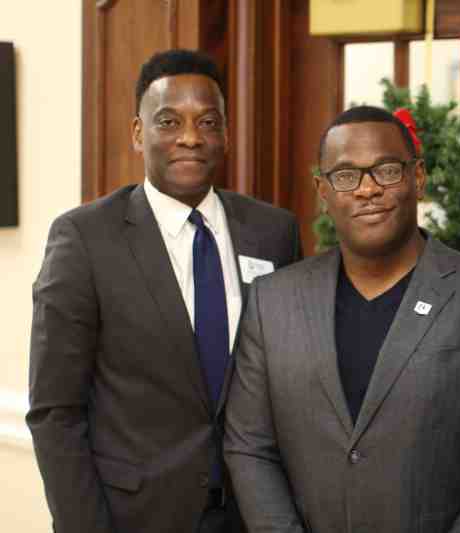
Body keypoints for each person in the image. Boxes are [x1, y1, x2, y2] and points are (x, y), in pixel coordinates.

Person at [27, 49, 302, 533]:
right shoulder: (85, 238)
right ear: (138, 132)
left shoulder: (273, 232)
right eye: (169, 121)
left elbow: (295, 380)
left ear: (226, 133)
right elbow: (56, 411)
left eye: (208, 122)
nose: (191, 138)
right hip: (135, 516)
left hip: (254, 513)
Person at [224, 105, 460, 533]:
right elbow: (249, 447)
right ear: (323, 192)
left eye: (386, 170)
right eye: (346, 176)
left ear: (417, 178)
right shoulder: (272, 301)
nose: (367, 189)